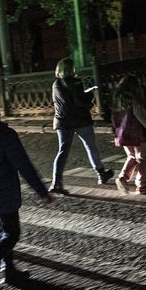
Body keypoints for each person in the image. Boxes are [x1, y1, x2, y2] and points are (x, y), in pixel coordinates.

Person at [0, 93, 52, 287]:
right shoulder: (5, 135)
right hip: (1, 188)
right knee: (12, 233)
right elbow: (23, 165)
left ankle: (9, 270)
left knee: (2, 228)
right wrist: (41, 191)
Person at [49, 58, 113, 193]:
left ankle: (56, 183)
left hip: (63, 121)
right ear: (71, 69)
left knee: (63, 151)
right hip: (80, 120)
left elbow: (64, 101)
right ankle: (101, 174)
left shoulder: (56, 84)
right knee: (90, 146)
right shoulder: (76, 82)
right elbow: (79, 101)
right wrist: (90, 95)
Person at [110, 74, 146, 194]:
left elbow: (114, 120)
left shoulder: (117, 102)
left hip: (121, 133)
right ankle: (141, 185)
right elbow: (142, 117)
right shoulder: (135, 101)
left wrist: (116, 132)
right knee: (142, 158)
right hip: (136, 133)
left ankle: (123, 177)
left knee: (131, 156)